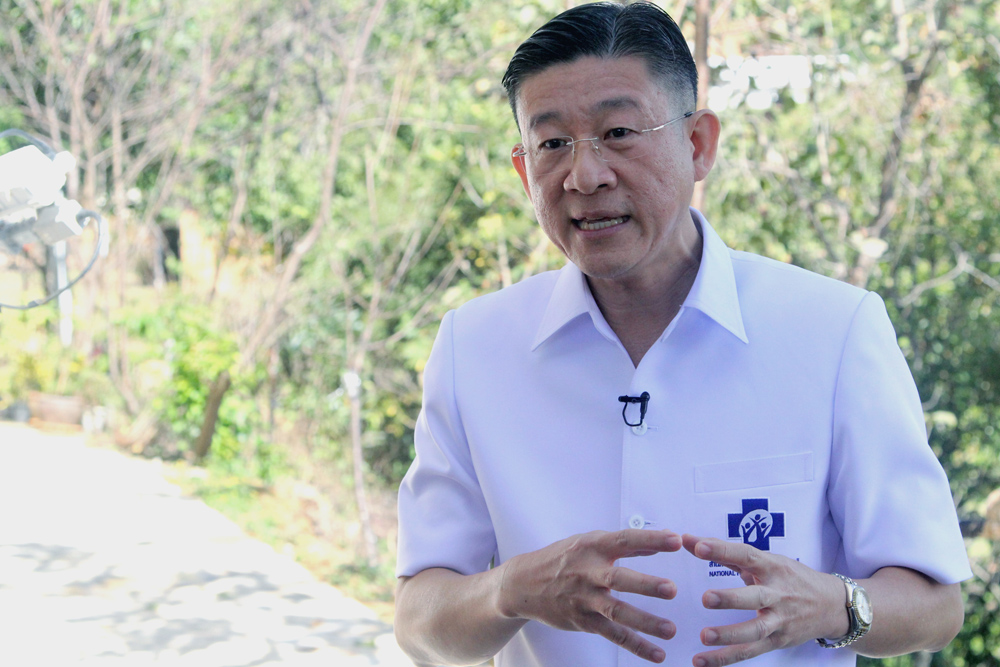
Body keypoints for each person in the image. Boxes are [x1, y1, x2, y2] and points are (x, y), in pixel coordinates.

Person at [393, 3, 971, 666]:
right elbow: (418, 620)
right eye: (552, 144)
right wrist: (510, 589)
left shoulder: (834, 330)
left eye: (617, 132)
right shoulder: (473, 347)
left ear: (698, 145)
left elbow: (936, 605)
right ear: (525, 172)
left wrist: (833, 604)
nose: (585, 175)